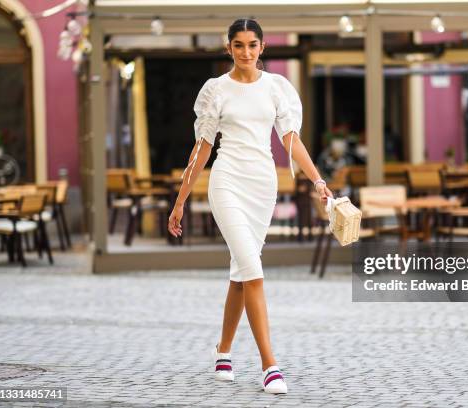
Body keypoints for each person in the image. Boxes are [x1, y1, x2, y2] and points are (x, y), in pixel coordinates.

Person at [167, 18, 333, 395]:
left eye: (252, 45)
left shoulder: (276, 88)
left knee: (242, 272)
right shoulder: (216, 90)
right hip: (226, 182)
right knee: (252, 270)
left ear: (262, 48)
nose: (246, 52)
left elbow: (291, 140)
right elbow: (202, 149)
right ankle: (270, 365)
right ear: (229, 48)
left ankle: (223, 351)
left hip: (262, 185)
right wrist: (180, 200)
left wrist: (319, 181)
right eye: (238, 45)